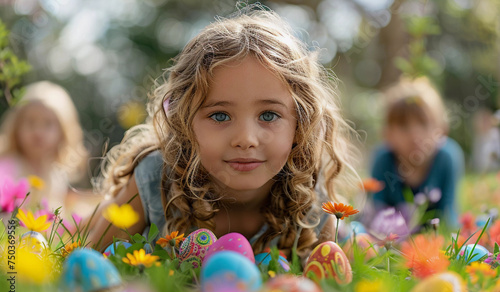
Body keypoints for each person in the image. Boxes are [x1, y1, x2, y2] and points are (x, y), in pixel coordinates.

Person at [86, 7, 359, 259]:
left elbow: (349, 269)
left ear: (300, 123)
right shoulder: (154, 178)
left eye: (268, 115)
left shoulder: (308, 193)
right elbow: (88, 262)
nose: (245, 139)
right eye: (220, 115)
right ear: (184, 123)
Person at [370, 77, 464, 229]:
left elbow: (448, 216)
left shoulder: (448, 157)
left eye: (423, 123)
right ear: (388, 134)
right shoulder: (383, 160)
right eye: (403, 125)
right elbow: (375, 213)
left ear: (441, 129)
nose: (415, 135)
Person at [0, 81, 88, 215]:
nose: (38, 132)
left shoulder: (57, 174)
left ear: (63, 131)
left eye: (48, 124)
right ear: (16, 127)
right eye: (30, 122)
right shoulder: (7, 167)